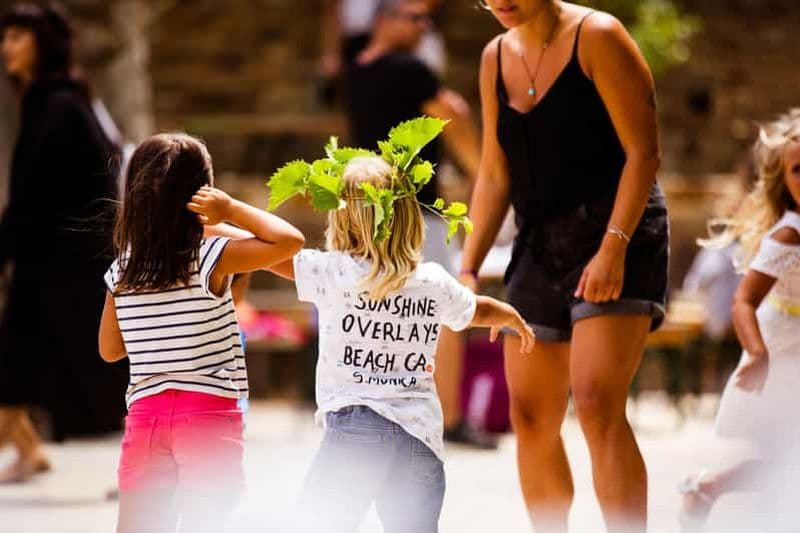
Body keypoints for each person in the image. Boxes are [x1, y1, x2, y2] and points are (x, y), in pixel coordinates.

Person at [461, 1, 669, 531]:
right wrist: (468, 267)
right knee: (529, 416)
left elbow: (643, 152)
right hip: (537, 241)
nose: (500, 2)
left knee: (598, 403)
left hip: (616, 231)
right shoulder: (493, 57)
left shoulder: (599, 36)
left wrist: (613, 248)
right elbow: (492, 172)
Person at [266, 154, 534, 532]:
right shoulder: (432, 280)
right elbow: (476, 310)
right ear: (409, 218)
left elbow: (269, 252)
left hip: (356, 428)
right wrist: (509, 315)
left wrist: (224, 216)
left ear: (342, 220)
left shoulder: (334, 272)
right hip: (419, 437)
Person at [99, 133, 304, 533]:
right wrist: (229, 211)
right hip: (208, 415)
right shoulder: (212, 255)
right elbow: (289, 241)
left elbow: (109, 350)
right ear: (202, 195)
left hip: (146, 418)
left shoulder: (122, 270)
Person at [344, 0, 491, 448]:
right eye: (417, 19)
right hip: (418, 213)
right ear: (385, 19)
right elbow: (455, 122)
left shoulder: (353, 72)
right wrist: (485, 174)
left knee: (372, 312)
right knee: (444, 308)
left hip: (367, 213)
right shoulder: (413, 71)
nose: (426, 27)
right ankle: (450, 418)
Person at [0, 2, 128, 482]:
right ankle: (30, 452)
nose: (6, 47)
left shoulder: (58, 106)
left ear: (42, 44)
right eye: (5, 37)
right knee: (15, 362)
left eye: (17, 37)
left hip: (72, 265)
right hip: (51, 260)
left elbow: (34, 196)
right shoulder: (52, 100)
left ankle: (151, 465)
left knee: (101, 373)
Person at [679, 109, 800, 532]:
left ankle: (706, 487)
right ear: (782, 181)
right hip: (785, 349)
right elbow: (743, 300)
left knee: (787, 460)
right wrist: (756, 352)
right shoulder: (789, 234)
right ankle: (707, 487)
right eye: (799, 170)